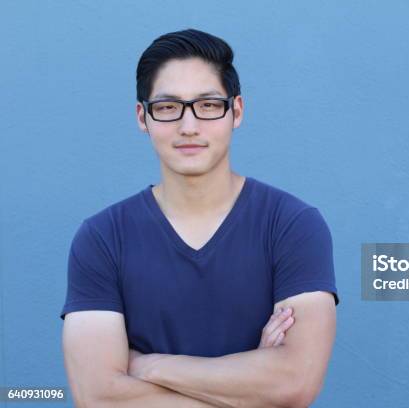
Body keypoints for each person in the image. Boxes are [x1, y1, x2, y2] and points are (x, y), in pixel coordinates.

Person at [60, 28, 339, 408]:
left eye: (208, 105)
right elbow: (99, 397)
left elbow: (295, 384)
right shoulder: (103, 237)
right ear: (143, 117)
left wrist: (148, 366)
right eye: (168, 107)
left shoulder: (292, 226)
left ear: (236, 111)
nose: (188, 126)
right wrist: (250, 387)